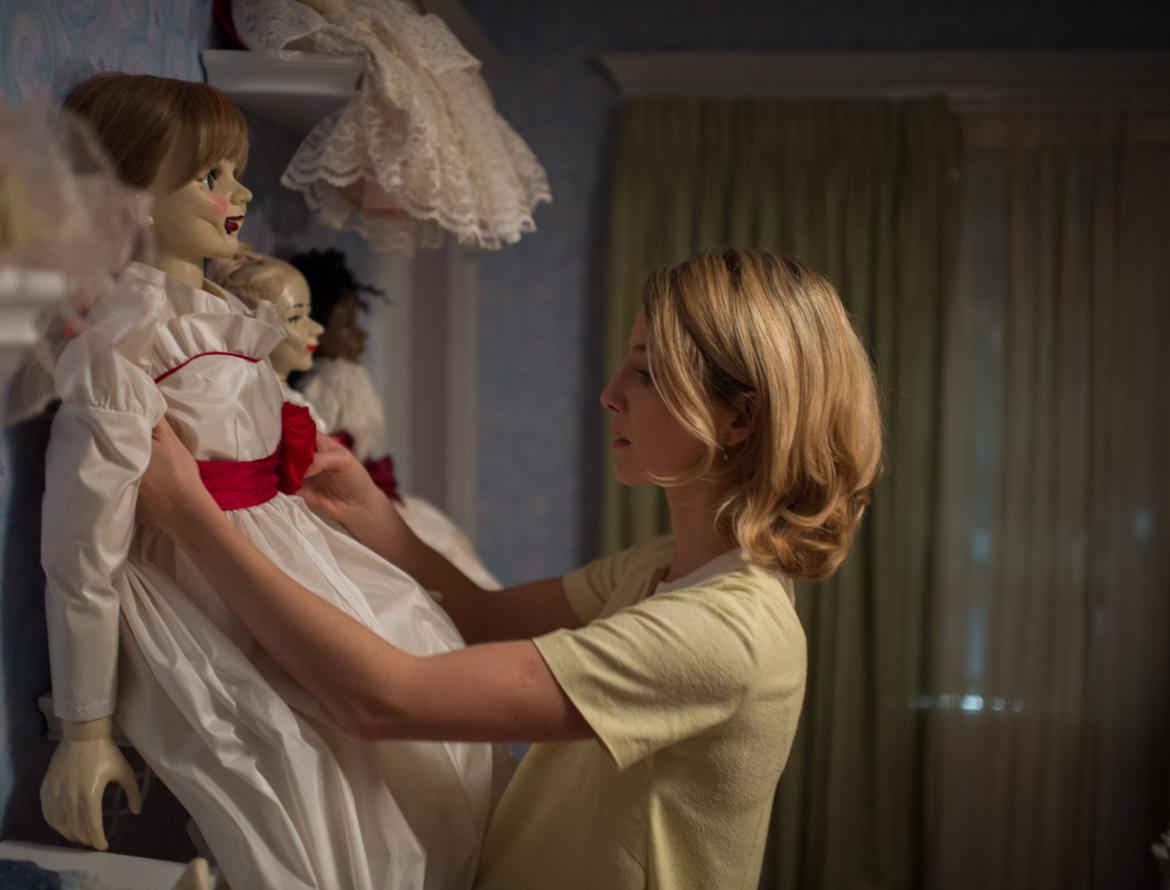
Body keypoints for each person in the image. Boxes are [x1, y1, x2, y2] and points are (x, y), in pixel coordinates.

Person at [136, 248, 884, 889]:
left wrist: (194, 520)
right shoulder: (663, 568)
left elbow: (385, 700)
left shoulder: (723, 635)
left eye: (646, 373)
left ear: (738, 419)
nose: (610, 395)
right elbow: (481, 616)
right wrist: (379, 522)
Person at [39, 72, 493, 890]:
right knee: (299, 773)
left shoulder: (225, 313)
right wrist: (84, 727)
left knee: (418, 675)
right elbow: (83, 550)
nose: (240, 193)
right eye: (209, 176)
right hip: (198, 589)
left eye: (235, 172)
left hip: (282, 551)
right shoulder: (124, 345)